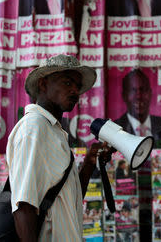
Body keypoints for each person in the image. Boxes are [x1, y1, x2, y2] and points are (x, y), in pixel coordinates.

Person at [7, 54, 112, 241]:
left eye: (77, 87)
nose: (75, 91)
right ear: (43, 84)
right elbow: (24, 206)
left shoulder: (52, 131)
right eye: (67, 83)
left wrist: (89, 162)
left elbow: (69, 200)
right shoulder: (34, 128)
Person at [115, 69, 161, 147]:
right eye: (133, 90)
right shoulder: (115, 128)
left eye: (143, 90)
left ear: (150, 93)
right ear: (124, 95)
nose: (138, 96)